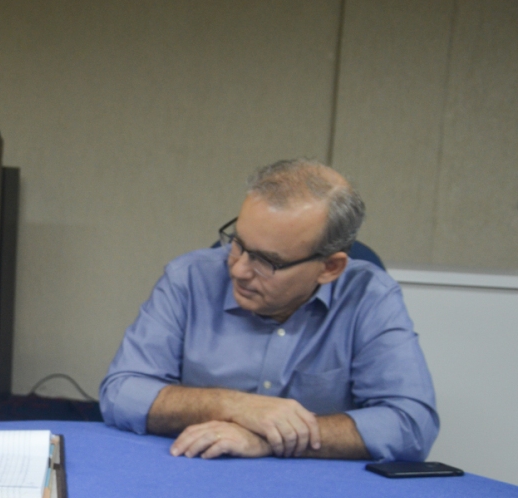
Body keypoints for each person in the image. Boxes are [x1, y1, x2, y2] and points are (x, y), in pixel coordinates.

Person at [99, 159, 438, 462]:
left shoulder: (370, 297)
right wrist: (236, 407)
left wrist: (270, 438)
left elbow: (410, 425)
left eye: (268, 261)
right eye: (238, 244)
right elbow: (121, 393)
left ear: (330, 268)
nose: (239, 270)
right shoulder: (189, 278)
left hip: (319, 497)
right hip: (199, 473)